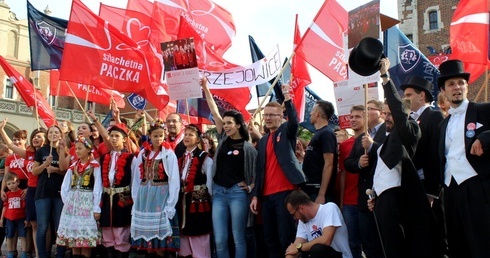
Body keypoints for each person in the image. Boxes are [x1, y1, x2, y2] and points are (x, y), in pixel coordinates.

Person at [367, 58, 439, 258]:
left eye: (391, 113)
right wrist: (374, 195)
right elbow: (380, 171)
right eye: (385, 113)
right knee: (388, 249)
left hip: (397, 199)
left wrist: (385, 77)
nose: (387, 117)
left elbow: (399, 114)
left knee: (400, 249)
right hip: (382, 200)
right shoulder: (385, 137)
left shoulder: (410, 130)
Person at [437, 59, 490, 257]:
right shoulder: (444, 124)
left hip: (477, 186)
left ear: (467, 87)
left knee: (481, 243)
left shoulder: (483, 110)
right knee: (458, 245)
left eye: (460, 83)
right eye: (451, 84)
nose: (456, 87)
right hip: (450, 189)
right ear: (444, 90)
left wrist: (484, 138)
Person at [201, 78, 257, 258]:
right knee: (220, 239)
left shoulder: (248, 148)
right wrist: (205, 88)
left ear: (238, 124)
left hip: (237, 194)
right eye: (224, 124)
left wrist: (250, 187)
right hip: (218, 193)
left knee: (238, 237)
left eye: (229, 123)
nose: (225, 126)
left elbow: (257, 173)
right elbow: (214, 110)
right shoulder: (223, 139)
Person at [250, 84, 307, 258]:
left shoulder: (286, 131)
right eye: (265, 115)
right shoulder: (263, 140)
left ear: (280, 116)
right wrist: (255, 195)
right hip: (266, 197)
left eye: (271, 115)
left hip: (286, 193)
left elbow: (294, 121)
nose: (267, 118)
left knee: (286, 237)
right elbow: (260, 170)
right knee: (270, 239)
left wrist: (288, 99)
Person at [401, 77, 446, 254]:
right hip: (413, 185)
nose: (405, 98)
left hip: (428, 187)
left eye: (409, 95)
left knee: (435, 231)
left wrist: (432, 191)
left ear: (422, 96)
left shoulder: (433, 116)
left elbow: (436, 154)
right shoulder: (409, 120)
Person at [130, 118, 180, 257]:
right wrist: (136, 199)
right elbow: (137, 178)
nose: (158, 139)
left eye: (161, 136)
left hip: (160, 196)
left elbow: (174, 180)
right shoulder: (143, 153)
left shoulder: (168, 154)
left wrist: (170, 205)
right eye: (155, 136)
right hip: (144, 197)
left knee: (160, 237)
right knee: (147, 240)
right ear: (150, 136)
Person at [343, 100, 385, 258]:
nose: (366, 112)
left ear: (380, 113)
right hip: (364, 198)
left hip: (383, 195)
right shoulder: (362, 137)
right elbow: (348, 163)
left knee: (384, 243)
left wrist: (373, 146)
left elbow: (392, 152)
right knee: (368, 244)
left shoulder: (387, 130)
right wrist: (359, 163)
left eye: (369, 109)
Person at [0, 119, 46, 258]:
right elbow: (9, 145)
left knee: (38, 224)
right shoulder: (29, 154)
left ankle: (35, 252)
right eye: (35, 137)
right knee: (25, 222)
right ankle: (14, 251)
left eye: (39, 136)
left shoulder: (47, 153)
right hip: (25, 188)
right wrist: (2, 130)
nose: (36, 139)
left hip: (38, 189)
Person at [56, 136, 102, 258]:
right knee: (74, 237)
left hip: (87, 204)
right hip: (73, 206)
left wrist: (96, 207)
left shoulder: (94, 166)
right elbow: (65, 186)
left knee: (86, 237)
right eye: (76, 149)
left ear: (88, 149)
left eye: (80, 148)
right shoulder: (73, 167)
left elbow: (98, 188)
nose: (77, 151)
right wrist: (68, 202)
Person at [99, 123, 136, 258]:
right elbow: (99, 183)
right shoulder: (104, 157)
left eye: (117, 136)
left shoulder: (131, 158)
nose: (113, 139)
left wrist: (134, 203)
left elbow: (135, 182)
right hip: (107, 198)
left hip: (123, 199)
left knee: (121, 232)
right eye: (111, 136)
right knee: (107, 232)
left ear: (124, 139)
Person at [177, 124, 213, 258]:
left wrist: (210, 200)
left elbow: (210, 183)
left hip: (198, 204)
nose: (187, 137)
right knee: (184, 238)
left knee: (199, 237)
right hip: (183, 202)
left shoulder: (205, 157)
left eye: (191, 135)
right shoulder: (181, 158)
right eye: (185, 134)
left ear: (198, 139)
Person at [32, 125, 68, 258]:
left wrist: (55, 170)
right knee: (42, 227)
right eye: (50, 132)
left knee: (60, 227)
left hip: (59, 193)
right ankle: (42, 255)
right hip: (43, 192)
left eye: (56, 132)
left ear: (60, 135)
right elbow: (34, 171)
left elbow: (66, 170)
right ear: (47, 135)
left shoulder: (64, 150)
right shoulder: (42, 150)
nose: (53, 134)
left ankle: (60, 254)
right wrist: (44, 165)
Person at [284, 189, 352, 258]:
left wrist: (299, 247)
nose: (294, 218)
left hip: (340, 255)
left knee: (317, 249)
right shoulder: (303, 221)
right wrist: (291, 252)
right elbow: (295, 248)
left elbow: (326, 240)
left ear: (301, 209)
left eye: (293, 214)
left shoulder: (329, 208)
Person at [338, 105, 365, 258]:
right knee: (353, 242)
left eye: (358, 116)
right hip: (349, 201)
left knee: (370, 241)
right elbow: (342, 173)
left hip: (368, 199)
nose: (353, 120)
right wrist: (341, 201)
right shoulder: (344, 145)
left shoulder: (373, 140)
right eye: (351, 116)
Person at [302, 100, 337, 204]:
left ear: (317, 114)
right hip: (310, 189)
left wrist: (321, 194)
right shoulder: (318, 134)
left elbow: (329, 164)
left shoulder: (327, 133)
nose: (310, 113)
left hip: (318, 192)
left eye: (312, 110)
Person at [1, 173, 28, 258]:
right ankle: (10, 252)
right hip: (9, 218)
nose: (11, 185)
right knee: (9, 235)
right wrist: (2, 218)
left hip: (21, 218)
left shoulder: (22, 192)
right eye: (9, 184)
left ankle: (24, 252)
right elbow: (4, 207)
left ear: (18, 182)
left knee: (23, 235)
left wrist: (27, 218)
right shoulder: (7, 194)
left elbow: (26, 207)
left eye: (13, 183)